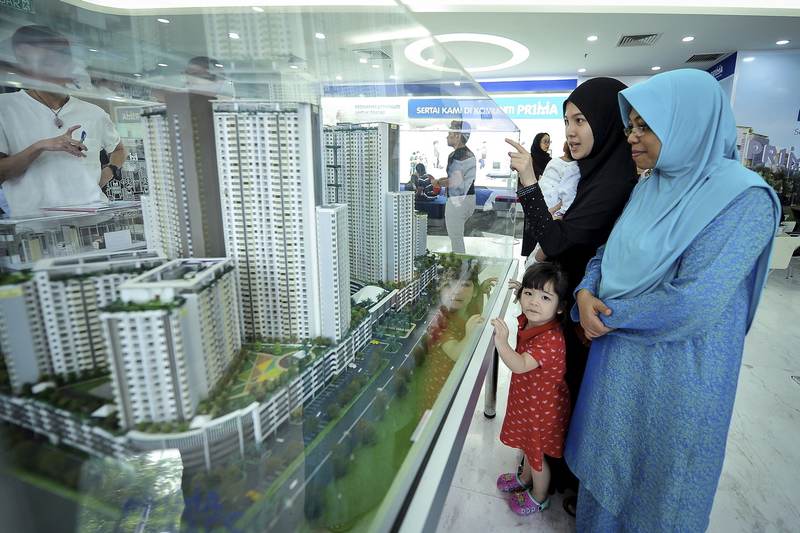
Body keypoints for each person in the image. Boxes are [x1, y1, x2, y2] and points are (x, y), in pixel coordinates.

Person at [565, 69, 780, 531]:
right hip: (615, 359)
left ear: (689, 124)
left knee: (658, 493)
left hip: (676, 377)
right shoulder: (651, 184)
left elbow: (694, 302)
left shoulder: (743, 201)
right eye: (631, 126)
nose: (632, 138)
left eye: (646, 126)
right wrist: (585, 292)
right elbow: (608, 249)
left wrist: (606, 313)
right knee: (605, 480)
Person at [506, 77, 638, 513]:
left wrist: (528, 179)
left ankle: (551, 475)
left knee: (561, 393)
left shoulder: (614, 180)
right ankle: (545, 469)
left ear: (606, 121)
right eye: (567, 121)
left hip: (586, 313)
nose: (572, 132)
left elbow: (560, 240)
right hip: (573, 301)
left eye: (581, 120)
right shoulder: (600, 173)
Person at [0, 25, 125, 216]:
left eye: (59, 60)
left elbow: (119, 149)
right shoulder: (6, 108)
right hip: (35, 229)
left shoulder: (93, 112)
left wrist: (108, 173)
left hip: (94, 219)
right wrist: (40, 147)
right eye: (41, 62)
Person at [492, 262, 570, 516]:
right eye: (529, 293)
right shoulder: (533, 321)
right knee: (528, 446)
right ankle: (524, 480)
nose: (534, 302)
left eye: (545, 297)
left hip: (542, 409)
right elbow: (529, 298)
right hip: (529, 401)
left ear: (560, 308)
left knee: (537, 457)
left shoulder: (550, 339)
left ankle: (539, 496)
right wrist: (520, 287)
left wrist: (502, 344)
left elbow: (520, 364)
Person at [437, 120, 476, 254]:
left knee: (456, 239)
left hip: (458, 200)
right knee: (457, 237)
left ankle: (460, 270)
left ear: (458, 136)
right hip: (467, 199)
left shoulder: (457, 155)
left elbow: (456, 181)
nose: (447, 136)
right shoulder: (467, 153)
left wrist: (438, 183)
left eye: (450, 133)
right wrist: (440, 180)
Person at [539, 141, 580, 219]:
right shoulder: (575, 168)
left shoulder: (553, 161)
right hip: (552, 208)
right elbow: (567, 195)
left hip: (543, 203)